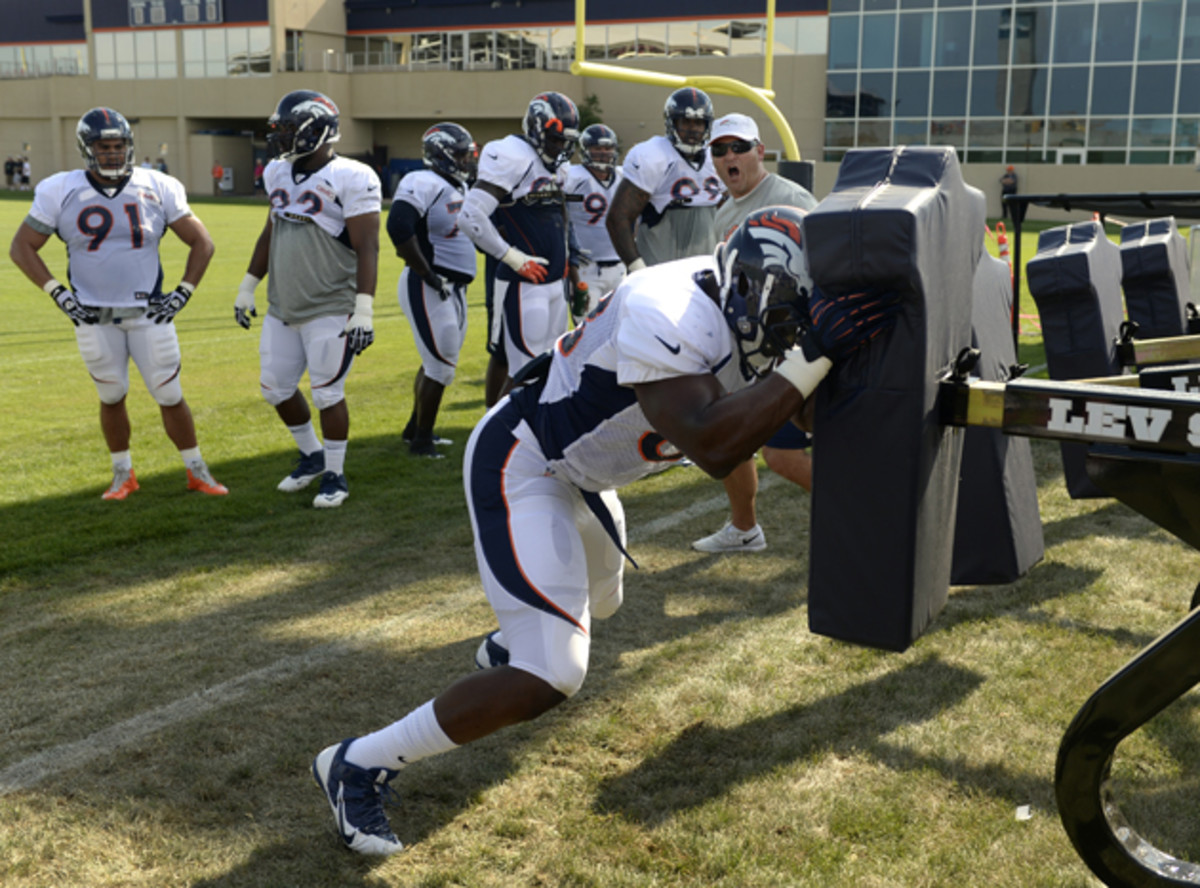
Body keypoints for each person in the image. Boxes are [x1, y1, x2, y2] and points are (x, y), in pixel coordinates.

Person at [309, 205, 901, 856]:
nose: (793, 338)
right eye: (790, 322)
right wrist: (815, 351)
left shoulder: (749, 308)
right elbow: (713, 445)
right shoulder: (668, 309)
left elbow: (805, 413)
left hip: (586, 477)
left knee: (604, 601)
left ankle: (511, 644)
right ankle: (357, 763)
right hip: (527, 459)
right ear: (750, 290)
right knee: (554, 671)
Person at [8, 106, 227, 500]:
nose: (112, 153)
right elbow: (21, 247)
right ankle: (122, 474)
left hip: (149, 312)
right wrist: (59, 294)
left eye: (119, 145)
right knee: (111, 395)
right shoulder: (60, 188)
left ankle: (198, 471)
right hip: (93, 315)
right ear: (87, 149)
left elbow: (203, 242)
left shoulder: (157, 185)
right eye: (104, 146)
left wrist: (183, 292)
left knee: (169, 393)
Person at [232, 89, 381, 508]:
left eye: (289, 131)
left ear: (318, 130)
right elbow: (271, 230)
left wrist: (364, 309)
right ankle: (313, 456)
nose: (280, 139)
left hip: (331, 302)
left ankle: (336, 473)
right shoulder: (277, 173)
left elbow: (368, 246)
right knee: (276, 388)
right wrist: (248, 284)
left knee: (327, 393)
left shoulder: (353, 175)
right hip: (284, 302)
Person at [693, 112, 820, 554]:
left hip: (789, 342)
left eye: (739, 147)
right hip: (747, 344)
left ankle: (865, 509)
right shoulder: (724, 209)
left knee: (782, 457)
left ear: (760, 152)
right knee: (732, 436)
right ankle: (744, 528)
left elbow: (822, 268)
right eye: (719, 149)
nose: (729, 156)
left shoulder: (789, 196)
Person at [458, 91, 580, 406]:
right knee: (523, 371)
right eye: (555, 139)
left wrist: (567, 260)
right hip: (525, 284)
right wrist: (513, 257)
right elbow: (470, 217)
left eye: (566, 141)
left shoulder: (559, 166)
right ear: (537, 130)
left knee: (550, 365)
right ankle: (494, 439)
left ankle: (533, 439)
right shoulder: (511, 154)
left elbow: (559, 216)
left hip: (554, 281)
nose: (562, 148)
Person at [387, 122, 479, 458]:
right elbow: (398, 225)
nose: (466, 160)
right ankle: (422, 443)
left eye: (467, 154)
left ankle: (415, 430)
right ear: (440, 154)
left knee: (436, 361)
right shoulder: (422, 180)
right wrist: (427, 273)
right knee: (442, 365)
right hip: (430, 284)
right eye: (459, 154)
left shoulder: (460, 185)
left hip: (454, 288)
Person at [605, 87, 723, 272]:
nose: (693, 129)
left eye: (699, 123)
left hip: (707, 270)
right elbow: (618, 217)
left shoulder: (716, 157)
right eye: (686, 122)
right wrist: (637, 267)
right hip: (661, 270)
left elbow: (727, 212)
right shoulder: (654, 156)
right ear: (672, 123)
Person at [563, 123, 624, 323]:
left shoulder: (624, 178)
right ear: (585, 151)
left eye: (608, 148)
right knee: (586, 330)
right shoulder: (572, 177)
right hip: (586, 268)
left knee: (618, 327)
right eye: (597, 148)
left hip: (619, 267)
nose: (603, 153)